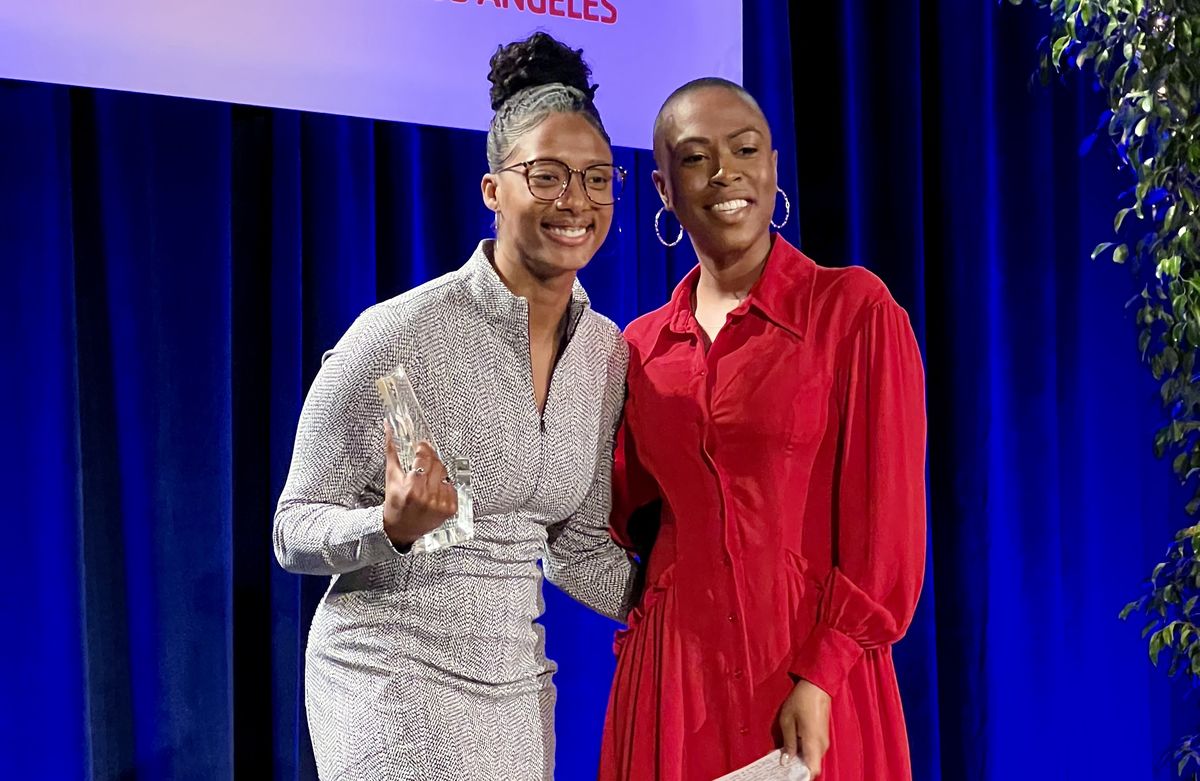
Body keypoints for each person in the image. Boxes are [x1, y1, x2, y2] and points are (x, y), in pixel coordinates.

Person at [273, 32, 637, 781]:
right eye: (546, 176)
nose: (575, 201)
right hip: (389, 675)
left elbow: (578, 552)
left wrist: (702, 607)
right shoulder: (401, 333)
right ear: (492, 189)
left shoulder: (606, 352)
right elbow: (293, 525)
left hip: (516, 691)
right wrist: (389, 525)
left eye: (597, 179)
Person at [599, 78, 927, 781]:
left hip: (809, 677)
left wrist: (826, 670)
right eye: (695, 158)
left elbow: (887, 530)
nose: (725, 172)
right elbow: (615, 515)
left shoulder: (855, 313)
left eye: (746, 149)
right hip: (675, 687)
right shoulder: (638, 349)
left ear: (774, 167)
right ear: (663, 188)